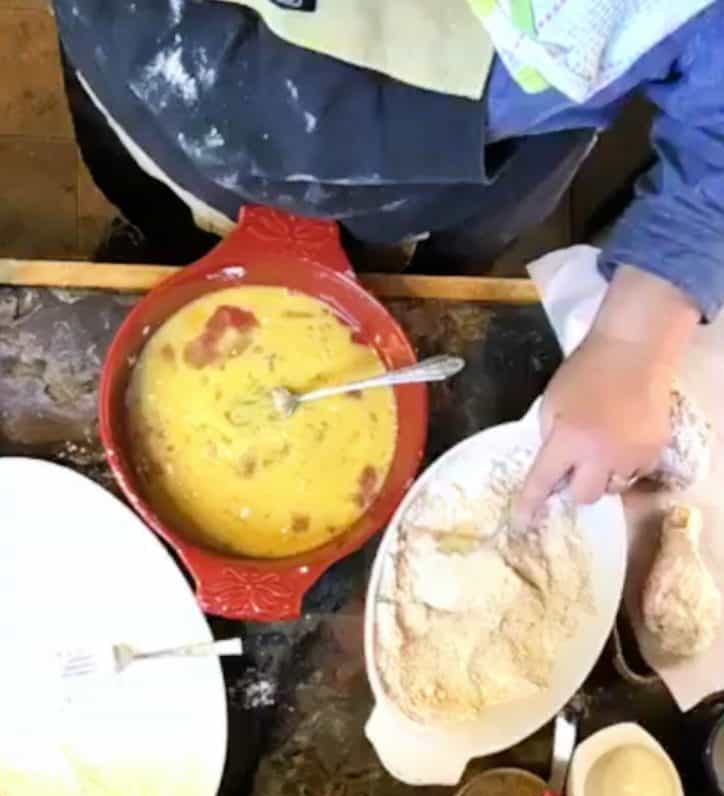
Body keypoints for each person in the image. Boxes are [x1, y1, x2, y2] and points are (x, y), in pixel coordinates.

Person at [53, 1, 723, 525]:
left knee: (442, 275)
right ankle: (165, 245)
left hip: (462, 184)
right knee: (163, 231)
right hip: (156, 109)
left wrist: (637, 335)